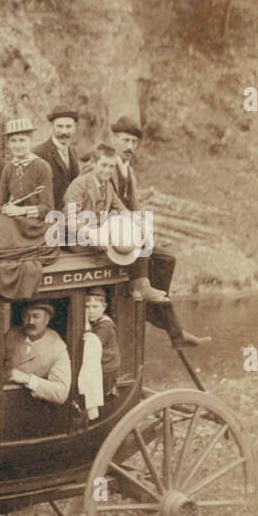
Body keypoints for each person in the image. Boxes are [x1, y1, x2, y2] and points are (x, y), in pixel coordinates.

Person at [110, 116, 210, 348]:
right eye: (126, 140)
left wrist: (142, 222)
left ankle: (153, 308)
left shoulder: (128, 171)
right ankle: (171, 327)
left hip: (126, 229)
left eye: (134, 143)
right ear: (114, 139)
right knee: (140, 234)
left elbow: (134, 204)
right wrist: (134, 221)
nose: (130, 147)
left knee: (167, 259)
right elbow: (107, 201)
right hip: (107, 230)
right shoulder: (106, 166)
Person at [62, 144, 167, 304]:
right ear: (94, 163)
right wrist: (91, 233)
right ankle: (137, 288)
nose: (107, 170)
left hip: (101, 237)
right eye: (103, 165)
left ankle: (141, 286)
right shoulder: (79, 185)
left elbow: (122, 210)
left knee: (136, 232)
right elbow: (69, 218)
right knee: (124, 241)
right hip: (78, 240)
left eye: (111, 167)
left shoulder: (108, 186)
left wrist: (141, 223)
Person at [5, 301, 70, 405]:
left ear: (47, 319)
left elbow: (61, 393)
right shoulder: (13, 334)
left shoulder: (57, 348)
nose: (30, 321)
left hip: (32, 408)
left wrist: (28, 379)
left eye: (36, 316)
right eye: (26, 317)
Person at [0, 118, 54, 216]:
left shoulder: (42, 166)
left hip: (36, 222)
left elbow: (47, 208)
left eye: (22, 140)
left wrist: (23, 211)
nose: (17, 146)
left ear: (31, 141)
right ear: (8, 143)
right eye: (13, 141)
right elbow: (0, 202)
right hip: (14, 219)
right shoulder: (8, 168)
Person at [32, 104, 82, 210]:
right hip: (48, 216)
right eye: (60, 126)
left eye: (68, 126)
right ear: (52, 126)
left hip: (70, 214)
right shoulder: (38, 153)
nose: (64, 131)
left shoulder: (73, 151)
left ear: (75, 127)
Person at [84, 287, 120, 396]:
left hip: (106, 370)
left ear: (104, 307)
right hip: (99, 366)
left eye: (95, 307)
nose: (91, 311)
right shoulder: (96, 321)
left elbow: (92, 345)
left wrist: (85, 321)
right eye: (87, 307)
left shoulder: (105, 325)